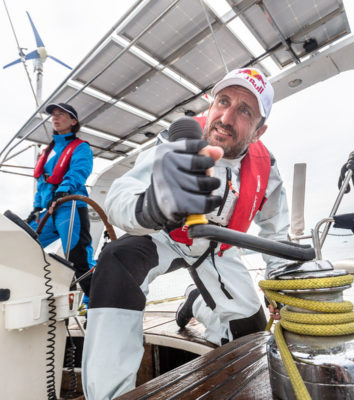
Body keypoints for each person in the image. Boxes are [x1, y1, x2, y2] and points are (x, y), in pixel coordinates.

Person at [82, 67, 289, 400]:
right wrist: (148, 207)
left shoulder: (268, 168)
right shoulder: (176, 142)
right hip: (166, 238)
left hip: (220, 250)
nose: (226, 116)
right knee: (116, 261)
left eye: (244, 110)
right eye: (223, 101)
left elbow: (277, 232)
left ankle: (197, 303)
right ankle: (110, 395)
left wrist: (281, 284)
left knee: (249, 331)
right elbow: (121, 193)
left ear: (259, 130)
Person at [26, 103, 95, 297]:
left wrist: (62, 192)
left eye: (61, 114)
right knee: (22, 241)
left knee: (79, 259)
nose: (55, 118)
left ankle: (97, 309)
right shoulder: (48, 152)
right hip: (46, 211)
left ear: (74, 121)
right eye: (53, 115)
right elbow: (42, 183)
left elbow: (78, 172)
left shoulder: (81, 148)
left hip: (70, 207)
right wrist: (36, 207)